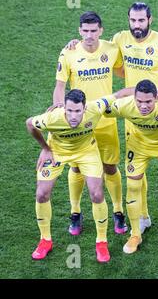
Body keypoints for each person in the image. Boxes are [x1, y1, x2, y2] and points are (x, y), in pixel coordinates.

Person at [65, 2, 158, 235]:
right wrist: (75, 44)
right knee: (137, 168)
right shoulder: (120, 39)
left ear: (150, 19)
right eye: (133, 20)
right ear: (128, 20)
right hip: (134, 112)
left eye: (141, 20)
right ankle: (143, 217)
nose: (136, 25)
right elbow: (106, 56)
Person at [27, 88, 133, 263]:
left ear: (85, 108)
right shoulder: (52, 118)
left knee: (97, 194)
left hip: (86, 152)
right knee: (41, 194)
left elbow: (120, 94)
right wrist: (45, 148)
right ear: (64, 109)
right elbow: (29, 123)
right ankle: (45, 240)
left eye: (77, 111)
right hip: (57, 151)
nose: (73, 116)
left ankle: (101, 242)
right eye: (69, 111)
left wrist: (155, 90)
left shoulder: (95, 108)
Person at [54, 11, 127, 236]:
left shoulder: (112, 49)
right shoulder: (69, 52)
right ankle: (75, 212)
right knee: (76, 167)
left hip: (105, 120)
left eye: (93, 31)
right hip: (80, 123)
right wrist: (60, 112)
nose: (89, 35)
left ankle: (118, 210)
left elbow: (124, 72)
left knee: (110, 166)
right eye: (84, 31)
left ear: (101, 31)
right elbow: (59, 86)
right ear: (79, 31)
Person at [104, 79, 158, 256]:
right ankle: (136, 234)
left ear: (156, 98)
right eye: (140, 101)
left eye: (148, 101)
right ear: (134, 98)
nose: (143, 106)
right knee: (133, 185)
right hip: (138, 146)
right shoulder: (125, 105)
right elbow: (100, 108)